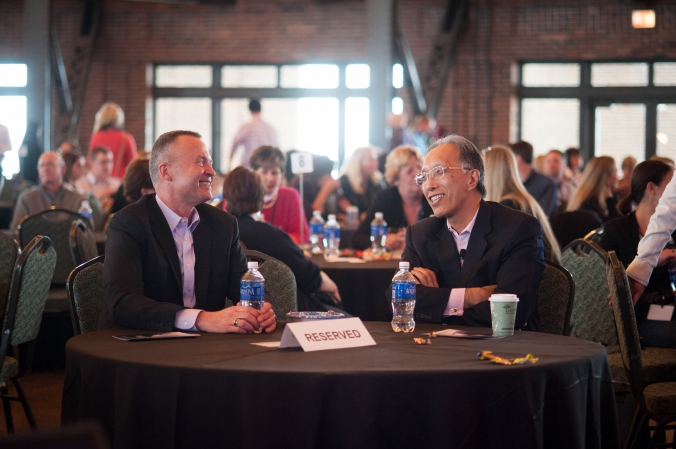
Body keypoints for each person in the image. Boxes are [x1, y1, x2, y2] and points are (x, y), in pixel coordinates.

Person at [99, 130, 276, 333]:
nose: (211, 171)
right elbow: (122, 303)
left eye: (209, 162)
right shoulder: (129, 223)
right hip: (139, 347)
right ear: (166, 172)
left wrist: (261, 309)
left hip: (206, 351)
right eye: (201, 162)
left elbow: (244, 287)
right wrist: (200, 319)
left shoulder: (222, 224)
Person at [400, 134, 544, 329]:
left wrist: (436, 306)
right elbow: (400, 301)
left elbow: (509, 313)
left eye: (438, 171)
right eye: (424, 176)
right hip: (436, 351)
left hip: (505, 351)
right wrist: (471, 296)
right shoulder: (420, 234)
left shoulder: (517, 229)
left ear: (472, 178)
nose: (429, 185)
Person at [223, 166, 342, 311]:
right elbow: (309, 276)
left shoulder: (221, 230)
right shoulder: (271, 235)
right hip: (286, 313)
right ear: (260, 196)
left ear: (227, 196)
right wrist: (333, 287)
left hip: (230, 312)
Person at [599, 160, 676, 347]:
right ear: (652, 188)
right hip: (637, 314)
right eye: (671, 183)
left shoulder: (672, 227)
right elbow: (604, 276)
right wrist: (652, 262)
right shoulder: (616, 229)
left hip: (669, 305)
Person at [484, 145, 561, 263]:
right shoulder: (521, 198)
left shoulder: (509, 206)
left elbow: (495, 257)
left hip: (540, 277)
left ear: (490, 173)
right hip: (545, 271)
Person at [352, 146, 432, 251]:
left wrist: (417, 240)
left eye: (419, 168)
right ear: (395, 179)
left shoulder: (433, 197)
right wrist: (382, 241)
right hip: (392, 265)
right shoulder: (384, 199)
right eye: (409, 171)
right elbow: (358, 239)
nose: (417, 174)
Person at [11, 152, 102, 230]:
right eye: (42, 165)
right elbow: (17, 232)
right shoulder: (26, 199)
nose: (46, 169)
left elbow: (87, 233)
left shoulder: (78, 199)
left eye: (50, 164)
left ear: (63, 169)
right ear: (38, 170)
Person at [249, 146, 309, 244]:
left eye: (275, 172)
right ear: (253, 173)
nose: (270, 178)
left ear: (282, 174)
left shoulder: (290, 196)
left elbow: (301, 237)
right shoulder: (240, 196)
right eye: (264, 172)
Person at [89, 102, 137, 179]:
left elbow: (92, 162)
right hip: (121, 181)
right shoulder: (127, 138)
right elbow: (133, 167)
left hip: (100, 181)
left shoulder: (95, 137)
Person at [510, 140, 558, 216]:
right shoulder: (511, 183)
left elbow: (541, 215)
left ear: (518, 159)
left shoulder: (547, 184)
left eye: (509, 158)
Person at [565, 155, 620, 223]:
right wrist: (610, 201)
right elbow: (615, 228)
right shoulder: (591, 204)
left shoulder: (584, 197)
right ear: (607, 177)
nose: (618, 177)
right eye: (615, 171)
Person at [229, 99, 278, 168]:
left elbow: (234, 144)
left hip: (249, 166)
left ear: (250, 110)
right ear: (261, 109)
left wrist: (229, 164)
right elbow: (276, 150)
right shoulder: (271, 128)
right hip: (266, 166)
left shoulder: (246, 127)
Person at [339, 146, 385, 216]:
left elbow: (380, 209)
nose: (376, 162)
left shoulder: (376, 182)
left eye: (375, 159)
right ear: (358, 162)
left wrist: (352, 210)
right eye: (371, 159)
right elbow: (340, 209)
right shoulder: (344, 182)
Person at [76, 146, 122, 214]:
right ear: (91, 163)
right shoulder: (80, 184)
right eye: (103, 162)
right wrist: (97, 197)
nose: (108, 166)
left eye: (110, 161)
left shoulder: (117, 184)